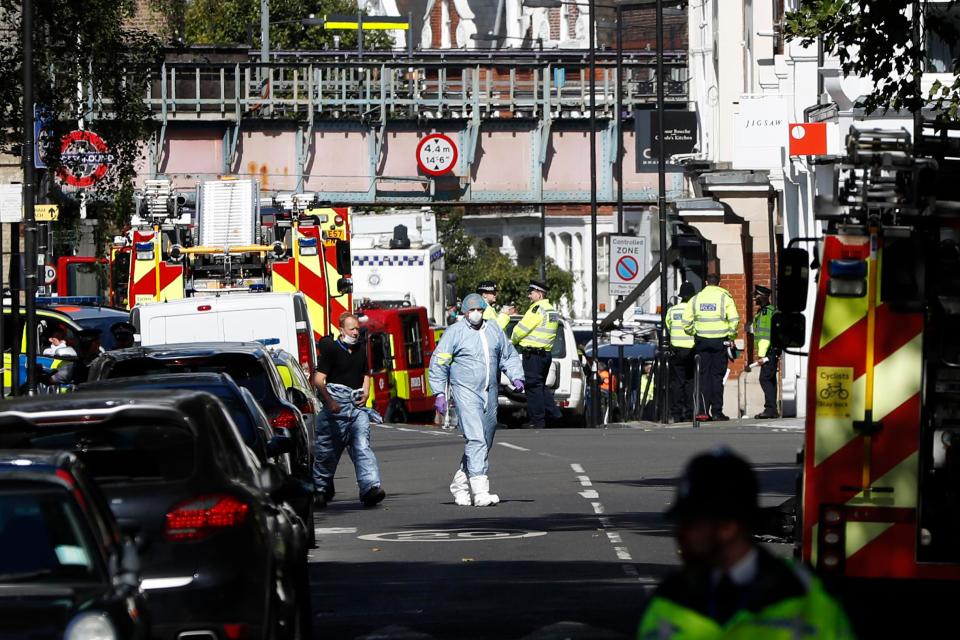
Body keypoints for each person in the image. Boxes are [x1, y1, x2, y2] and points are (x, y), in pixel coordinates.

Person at [638, 449, 855, 639]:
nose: (680, 534)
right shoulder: (669, 598)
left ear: (728, 527)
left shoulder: (804, 596)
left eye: (692, 523)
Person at [429, 294, 524, 506]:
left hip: (489, 392)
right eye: (471, 310)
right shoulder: (455, 333)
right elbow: (439, 363)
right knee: (476, 439)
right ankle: (481, 491)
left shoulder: (493, 330)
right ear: (465, 312)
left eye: (479, 310)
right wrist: (439, 393)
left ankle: (460, 483)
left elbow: (507, 355)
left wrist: (516, 375)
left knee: (486, 439)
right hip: (465, 391)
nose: (476, 314)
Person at [313, 312, 385, 508]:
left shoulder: (361, 349)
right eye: (352, 329)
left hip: (356, 408)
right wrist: (330, 402)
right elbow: (318, 381)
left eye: (357, 329)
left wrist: (366, 392)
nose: (355, 333)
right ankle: (320, 489)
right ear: (341, 330)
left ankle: (370, 488)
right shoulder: (333, 351)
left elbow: (366, 374)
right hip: (335, 409)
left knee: (362, 446)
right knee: (327, 451)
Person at [682, 273, 739, 422]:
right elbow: (734, 319)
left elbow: (686, 321)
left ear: (706, 282)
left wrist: (694, 332)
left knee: (703, 377)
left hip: (702, 342)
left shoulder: (696, 298)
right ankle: (717, 412)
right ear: (719, 283)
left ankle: (702, 412)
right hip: (720, 342)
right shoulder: (725, 297)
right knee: (716, 377)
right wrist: (731, 336)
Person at [511, 279, 561, 428]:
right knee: (540, 386)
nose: (529, 296)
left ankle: (537, 421)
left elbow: (521, 329)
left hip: (533, 355)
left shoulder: (537, 309)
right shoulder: (551, 309)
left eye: (531, 293)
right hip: (545, 354)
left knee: (533, 387)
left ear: (539, 294)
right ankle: (554, 414)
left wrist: (513, 340)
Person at [665, 282, 697, 422]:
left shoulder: (673, 311)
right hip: (691, 350)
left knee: (677, 383)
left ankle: (677, 413)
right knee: (690, 382)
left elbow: (668, 326)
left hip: (676, 350)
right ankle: (690, 412)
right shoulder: (694, 310)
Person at [751, 285, 779, 419]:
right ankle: (772, 409)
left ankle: (770, 409)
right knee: (771, 380)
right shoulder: (766, 311)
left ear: (763, 297)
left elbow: (765, 335)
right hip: (772, 351)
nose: (754, 297)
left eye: (756, 295)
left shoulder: (766, 313)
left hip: (768, 351)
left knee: (765, 379)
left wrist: (761, 355)